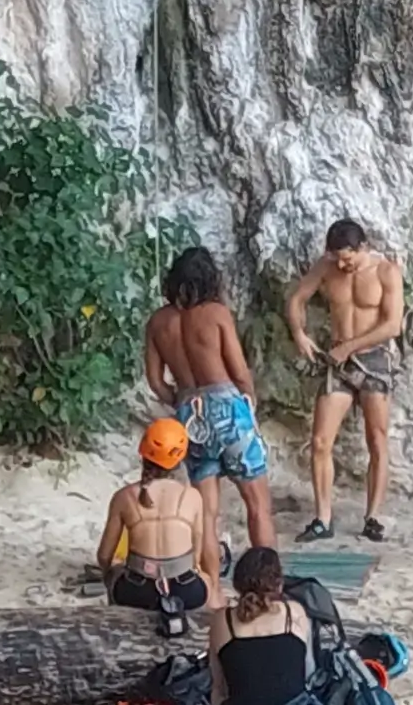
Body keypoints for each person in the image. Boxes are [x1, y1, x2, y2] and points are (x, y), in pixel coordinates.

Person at [144, 246, 276, 588]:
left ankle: (213, 589)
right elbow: (239, 370)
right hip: (227, 406)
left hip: (190, 414)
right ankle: (267, 588)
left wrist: (182, 399)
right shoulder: (216, 313)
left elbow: (156, 381)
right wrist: (248, 403)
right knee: (257, 504)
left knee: (206, 513)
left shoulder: (159, 322)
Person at [285, 219, 405, 543]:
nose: (342, 264)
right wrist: (299, 333)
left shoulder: (386, 272)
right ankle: (323, 518)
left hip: (375, 360)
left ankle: (373, 516)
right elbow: (297, 299)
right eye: (337, 258)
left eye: (347, 258)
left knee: (377, 440)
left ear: (362, 248)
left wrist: (350, 347)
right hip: (338, 360)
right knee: (321, 441)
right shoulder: (327, 266)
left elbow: (392, 325)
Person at [96, 417, 210, 612]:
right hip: (185, 591)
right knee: (206, 579)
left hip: (136, 591)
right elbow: (196, 558)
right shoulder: (192, 497)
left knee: (115, 575)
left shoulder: (123, 497)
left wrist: (111, 572)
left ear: (143, 453)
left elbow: (104, 556)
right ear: (180, 456)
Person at [207, 547, 315, 705]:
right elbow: (309, 671)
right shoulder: (293, 612)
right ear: (279, 583)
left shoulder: (223, 620)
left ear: (237, 582)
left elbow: (219, 686)